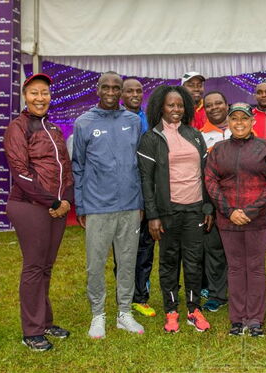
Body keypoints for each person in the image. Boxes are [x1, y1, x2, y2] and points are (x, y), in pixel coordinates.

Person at [73, 72, 145, 338]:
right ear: (98, 89)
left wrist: (140, 202)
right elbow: (78, 166)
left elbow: (139, 165)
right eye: (107, 87)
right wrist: (81, 205)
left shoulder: (132, 121)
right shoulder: (84, 123)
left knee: (127, 261)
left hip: (129, 205)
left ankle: (124, 312)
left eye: (117, 87)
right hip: (97, 206)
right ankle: (98, 315)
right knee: (95, 264)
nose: (112, 92)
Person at [4, 73, 74, 351]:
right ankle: (31, 331)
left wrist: (66, 199)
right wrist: (53, 202)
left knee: (46, 267)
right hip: (29, 206)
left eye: (44, 92)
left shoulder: (53, 128)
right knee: (34, 267)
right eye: (34, 93)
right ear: (25, 95)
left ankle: (44, 321)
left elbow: (65, 167)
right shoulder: (18, 127)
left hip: (56, 208)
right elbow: (21, 172)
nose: (40, 98)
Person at [137, 85, 214, 333]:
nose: (176, 109)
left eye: (180, 105)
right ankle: (171, 310)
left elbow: (206, 175)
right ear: (161, 106)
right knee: (169, 261)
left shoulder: (194, 135)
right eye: (171, 105)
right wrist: (153, 216)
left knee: (193, 262)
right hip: (167, 211)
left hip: (194, 210)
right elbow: (146, 182)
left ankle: (193, 309)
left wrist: (208, 206)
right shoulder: (151, 138)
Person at [205, 103, 266, 337]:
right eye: (234, 118)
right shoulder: (218, 150)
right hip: (228, 220)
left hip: (257, 219)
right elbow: (210, 181)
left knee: (256, 268)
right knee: (236, 268)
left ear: (252, 122)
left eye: (244, 119)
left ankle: (255, 319)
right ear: (228, 122)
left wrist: (250, 210)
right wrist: (229, 211)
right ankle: (237, 319)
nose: (239, 123)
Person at [121, 78, 157, 318]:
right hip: (124, 193)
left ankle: (140, 297)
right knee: (124, 248)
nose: (135, 94)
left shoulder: (148, 118)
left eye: (139, 91)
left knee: (146, 245)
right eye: (130, 91)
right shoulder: (117, 118)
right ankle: (124, 295)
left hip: (148, 190)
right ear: (122, 95)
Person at [197, 91, 230, 312]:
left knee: (239, 251)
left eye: (219, 103)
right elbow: (200, 174)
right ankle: (217, 294)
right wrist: (207, 206)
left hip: (241, 202)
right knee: (215, 250)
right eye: (209, 105)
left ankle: (240, 291)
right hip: (213, 203)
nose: (215, 107)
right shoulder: (200, 136)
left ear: (226, 105)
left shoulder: (244, 127)